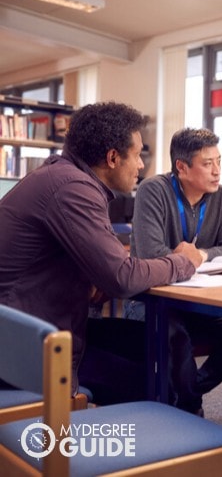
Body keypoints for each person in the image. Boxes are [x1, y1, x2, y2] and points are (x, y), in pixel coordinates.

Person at [0, 101, 201, 405]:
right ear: (112, 158)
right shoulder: (72, 189)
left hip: (29, 330)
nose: (141, 166)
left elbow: (109, 269)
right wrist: (182, 262)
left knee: (167, 343)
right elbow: (121, 276)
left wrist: (99, 276)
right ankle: (171, 441)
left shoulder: (59, 176)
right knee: (156, 383)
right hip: (27, 350)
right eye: (137, 155)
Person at [128, 127, 222, 414]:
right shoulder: (153, 190)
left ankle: (187, 393)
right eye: (207, 163)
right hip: (152, 301)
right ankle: (189, 408)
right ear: (182, 167)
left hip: (198, 301)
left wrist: (199, 255)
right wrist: (197, 260)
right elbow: (152, 255)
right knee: (175, 337)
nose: (217, 171)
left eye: (218, 161)